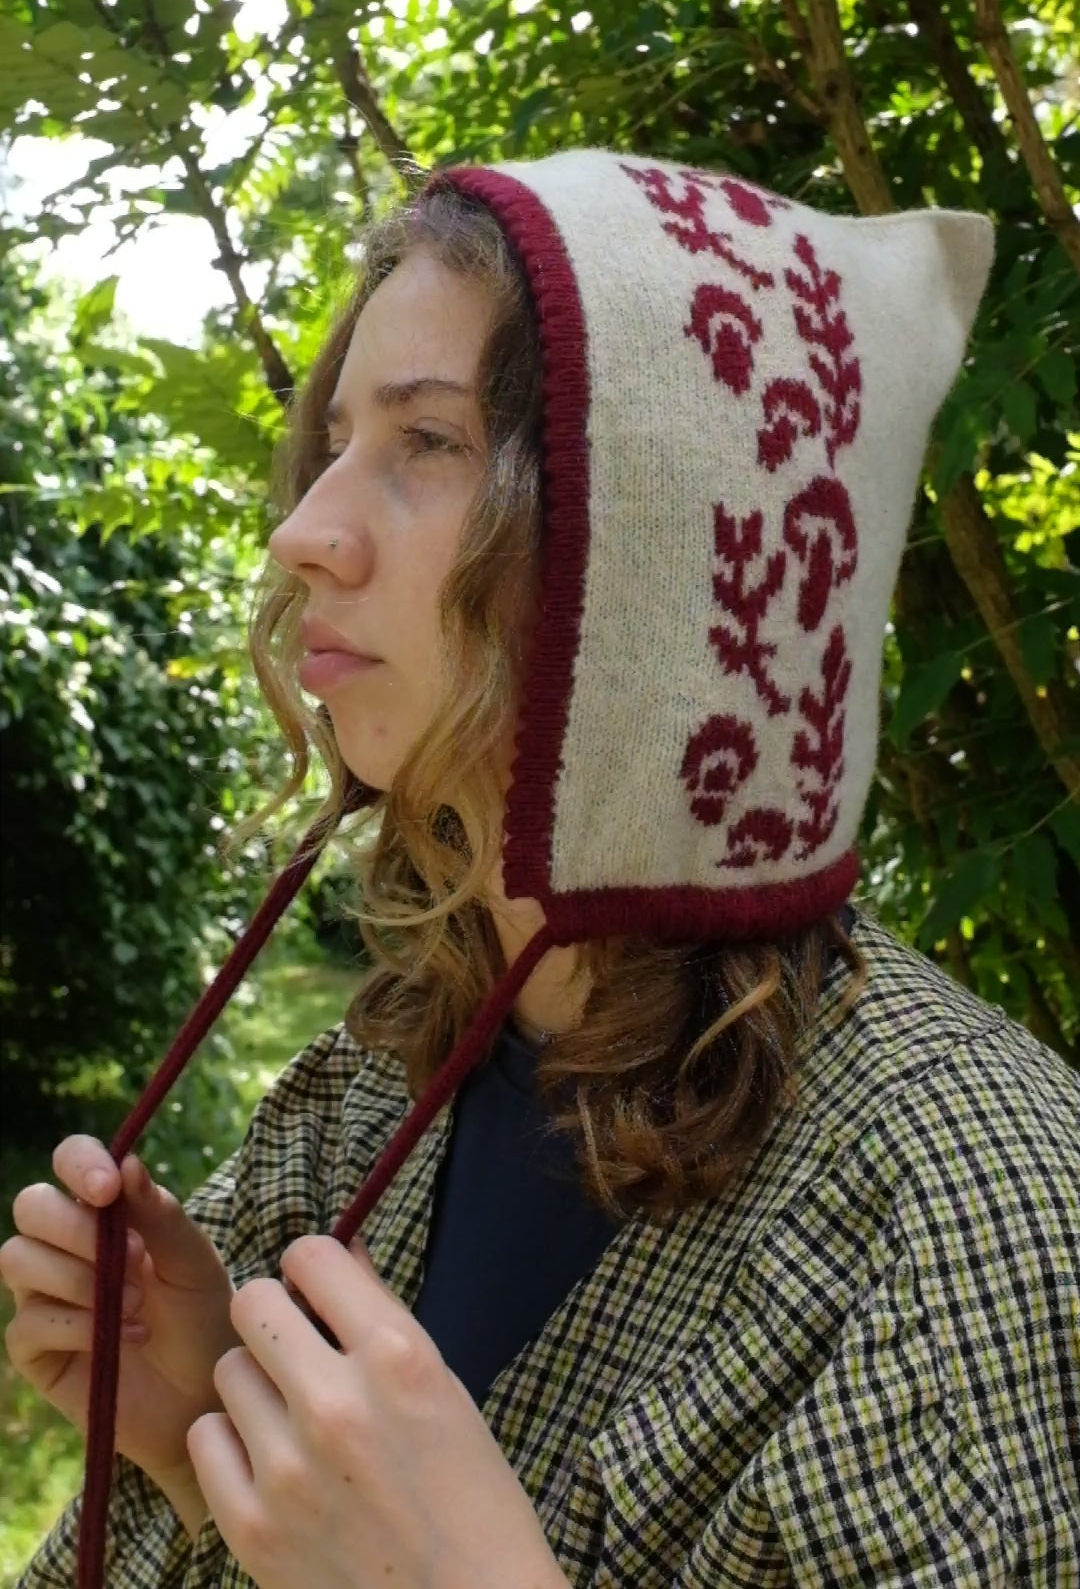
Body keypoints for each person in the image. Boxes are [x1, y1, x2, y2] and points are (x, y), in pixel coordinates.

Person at [5, 149, 1078, 1589]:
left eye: (430, 444)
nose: (303, 530)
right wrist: (206, 1425)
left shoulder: (973, 1218)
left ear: (667, 547)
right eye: (335, 443)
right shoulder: (383, 1078)